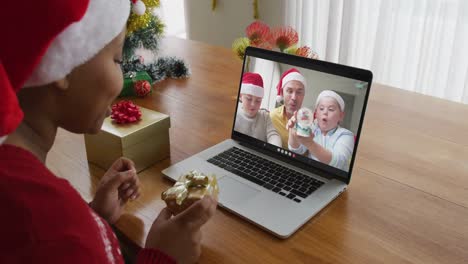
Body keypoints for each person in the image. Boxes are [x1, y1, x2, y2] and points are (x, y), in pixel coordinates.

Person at [0, 1, 217, 263]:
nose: (122, 77)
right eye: (117, 59)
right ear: (64, 62)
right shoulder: (56, 228)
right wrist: (162, 256)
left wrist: (94, 217)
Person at [287, 90, 355, 171]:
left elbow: (338, 163)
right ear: (316, 113)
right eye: (321, 108)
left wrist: (310, 143)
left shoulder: (346, 135)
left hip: (334, 177)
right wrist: (292, 131)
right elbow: (297, 150)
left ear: (341, 116)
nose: (325, 112)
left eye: (331, 109)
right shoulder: (311, 128)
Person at [234, 72, 282, 147]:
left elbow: (273, 135)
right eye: (249, 99)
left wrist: (275, 147)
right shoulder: (234, 114)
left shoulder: (265, 116)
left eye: (258, 100)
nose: (253, 104)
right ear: (240, 96)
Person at [270, 68, 307, 149]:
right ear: (282, 93)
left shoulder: (310, 124)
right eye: (289, 91)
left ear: (303, 95)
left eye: (299, 92)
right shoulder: (271, 117)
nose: (294, 97)